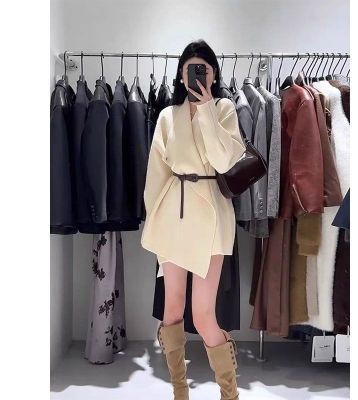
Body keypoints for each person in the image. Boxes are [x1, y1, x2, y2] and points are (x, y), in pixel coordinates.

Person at [140, 39, 245, 400]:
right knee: (171, 311)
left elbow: (224, 161)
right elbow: (156, 175)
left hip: (211, 214)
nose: (197, 75)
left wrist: (207, 111)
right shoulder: (167, 116)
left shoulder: (224, 109)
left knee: (202, 316)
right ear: (181, 75)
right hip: (172, 215)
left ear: (213, 75)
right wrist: (154, 220)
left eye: (204, 69)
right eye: (190, 70)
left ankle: (229, 394)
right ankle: (179, 392)